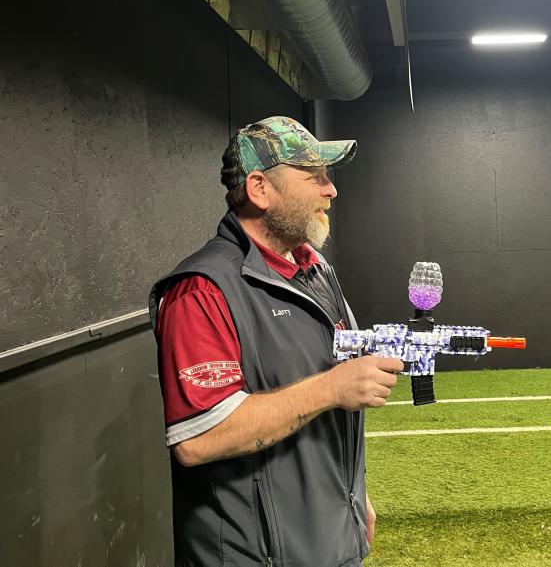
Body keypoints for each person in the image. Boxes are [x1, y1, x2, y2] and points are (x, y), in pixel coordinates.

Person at [148, 116, 403, 567]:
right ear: (260, 188)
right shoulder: (202, 291)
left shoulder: (315, 268)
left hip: (327, 540)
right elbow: (200, 438)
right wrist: (333, 388)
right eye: (315, 177)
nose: (331, 190)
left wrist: (351, 498)